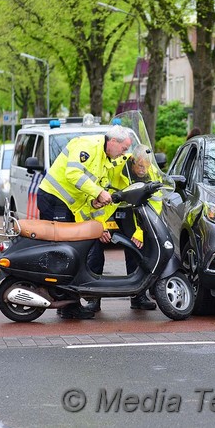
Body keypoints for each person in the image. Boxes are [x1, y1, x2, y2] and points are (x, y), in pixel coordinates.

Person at [36, 125, 133, 319]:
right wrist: (98, 193)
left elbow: (85, 194)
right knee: (65, 253)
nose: (125, 153)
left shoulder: (106, 160)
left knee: (74, 253)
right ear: (113, 142)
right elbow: (73, 174)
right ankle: (66, 306)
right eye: (124, 148)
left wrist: (95, 207)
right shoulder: (88, 145)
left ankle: (69, 304)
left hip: (68, 206)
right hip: (54, 200)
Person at [83, 144, 161, 313]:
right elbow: (98, 196)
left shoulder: (152, 172)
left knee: (137, 250)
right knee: (95, 253)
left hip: (129, 212)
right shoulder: (116, 167)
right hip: (107, 209)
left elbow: (156, 204)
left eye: (146, 166)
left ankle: (138, 296)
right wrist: (100, 226)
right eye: (140, 166)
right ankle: (93, 300)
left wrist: (140, 232)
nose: (143, 170)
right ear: (133, 160)